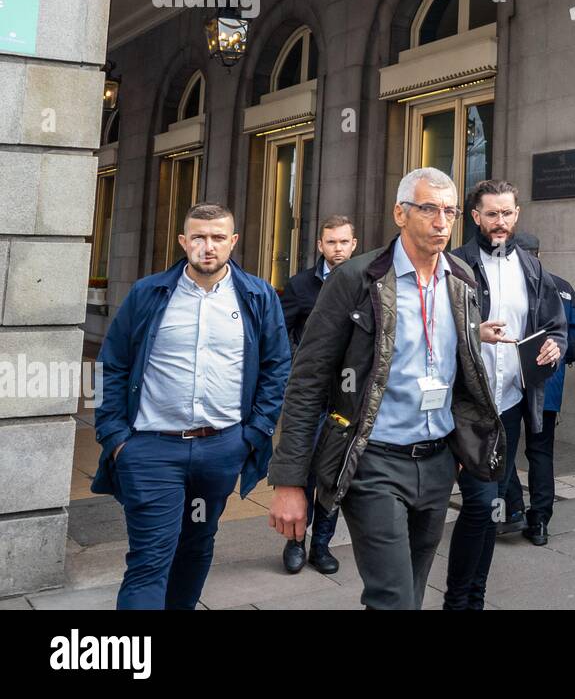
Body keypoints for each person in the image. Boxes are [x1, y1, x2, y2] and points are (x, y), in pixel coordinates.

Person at [268, 168, 519, 610]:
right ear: (400, 214)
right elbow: (307, 380)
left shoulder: (461, 279)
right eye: (428, 209)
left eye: (450, 211)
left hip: (438, 461)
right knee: (394, 598)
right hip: (373, 460)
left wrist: (464, 446)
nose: (441, 221)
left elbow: (464, 372)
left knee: (412, 589)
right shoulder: (357, 279)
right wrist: (289, 480)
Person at [92, 203, 290, 610]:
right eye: (198, 237)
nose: (208, 246)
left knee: (197, 545)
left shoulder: (257, 296)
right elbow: (112, 364)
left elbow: (276, 366)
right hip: (151, 452)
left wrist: (254, 435)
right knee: (150, 559)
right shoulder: (149, 293)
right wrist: (115, 438)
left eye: (218, 237)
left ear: (233, 242)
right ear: (183, 241)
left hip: (220, 451)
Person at [442, 181, 567, 609]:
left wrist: (555, 346)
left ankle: (472, 598)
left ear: (517, 215)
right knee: (480, 503)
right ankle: (459, 601)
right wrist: (473, 334)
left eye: (508, 214)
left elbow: (556, 326)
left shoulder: (533, 270)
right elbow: (430, 334)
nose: (501, 222)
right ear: (475, 217)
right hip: (465, 407)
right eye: (492, 214)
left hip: (510, 405)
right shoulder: (454, 265)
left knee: (489, 506)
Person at [276, 214, 359, 575]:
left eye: (344, 242)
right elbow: (280, 332)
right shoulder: (299, 286)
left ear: (353, 244)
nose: (337, 249)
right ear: (320, 246)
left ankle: (321, 544)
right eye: (331, 242)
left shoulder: (366, 283)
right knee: (302, 470)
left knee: (333, 475)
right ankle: (295, 541)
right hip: (310, 397)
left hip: (346, 399)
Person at [508, 233, 575, 532]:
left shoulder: (509, 286)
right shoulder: (563, 287)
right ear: (539, 253)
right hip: (548, 381)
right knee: (541, 450)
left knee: (503, 447)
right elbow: (574, 338)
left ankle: (512, 509)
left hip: (512, 381)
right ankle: (539, 521)